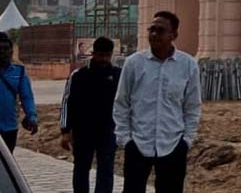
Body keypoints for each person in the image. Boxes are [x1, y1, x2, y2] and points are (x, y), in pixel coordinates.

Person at [114, 11, 201, 193]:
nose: (154, 34)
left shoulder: (188, 65)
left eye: (160, 30)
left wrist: (186, 140)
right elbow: (121, 103)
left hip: (173, 144)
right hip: (138, 143)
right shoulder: (134, 63)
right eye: (151, 29)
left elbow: (192, 106)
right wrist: (125, 139)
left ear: (174, 35)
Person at [59, 36, 121, 193]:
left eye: (107, 55)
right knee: (81, 168)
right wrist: (65, 131)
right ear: (93, 54)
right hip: (83, 131)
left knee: (106, 170)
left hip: (108, 131)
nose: (104, 59)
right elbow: (67, 102)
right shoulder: (79, 75)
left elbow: (126, 104)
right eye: (100, 55)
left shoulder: (118, 76)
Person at [0, 32, 38, 152]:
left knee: (6, 164)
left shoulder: (19, 72)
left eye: (6, 49)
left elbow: (27, 97)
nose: (2, 52)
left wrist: (31, 116)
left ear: (11, 51)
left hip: (9, 128)